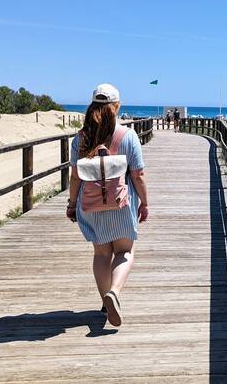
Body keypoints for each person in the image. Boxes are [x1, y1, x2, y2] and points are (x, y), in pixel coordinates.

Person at [66, 83, 149, 327]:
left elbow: (74, 177)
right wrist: (145, 202)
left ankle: (105, 301)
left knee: (102, 253)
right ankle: (114, 292)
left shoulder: (81, 138)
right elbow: (138, 175)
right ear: (117, 106)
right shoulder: (128, 135)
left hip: (90, 204)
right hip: (121, 203)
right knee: (125, 252)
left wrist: (72, 204)